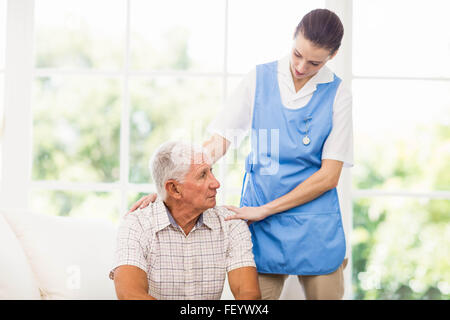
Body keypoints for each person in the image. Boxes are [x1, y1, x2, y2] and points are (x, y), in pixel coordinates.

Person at [129, 8, 353, 300]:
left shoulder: (338, 94)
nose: (300, 66)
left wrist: (266, 210)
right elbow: (219, 142)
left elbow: (328, 176)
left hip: (313, 226)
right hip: (262, 227)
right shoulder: (259, 79)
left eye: (314, 62)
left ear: (331, 57)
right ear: (293, 38)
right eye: (297, 54)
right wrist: (170, 189)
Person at [110, 141, 261, 300]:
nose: (216, 183)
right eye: (203, 175)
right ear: (174, 189)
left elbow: (249, 296)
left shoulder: (231, 223)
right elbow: (130, 295)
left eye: (211, 171)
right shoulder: (137, 224)